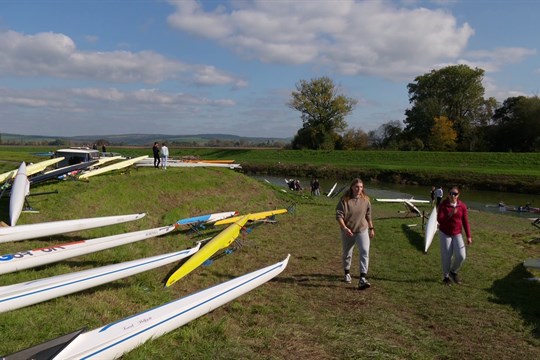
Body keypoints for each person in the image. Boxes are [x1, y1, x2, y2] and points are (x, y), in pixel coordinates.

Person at [336, 178, 375, 290]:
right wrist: (344, 228)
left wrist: (371, 228)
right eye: (357, 187)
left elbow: (368, 215)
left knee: (364, 251)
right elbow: (339, 216)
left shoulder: (366, 200)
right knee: (347, 253)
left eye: (361, 187)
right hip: (348, 231)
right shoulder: (345, 200)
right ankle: (347, 273)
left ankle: (362, 278)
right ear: (352, 187)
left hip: (362, 229)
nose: (359, 189)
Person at [437, 186, 472, 286]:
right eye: (451, 193)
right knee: (447, 256)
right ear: (448, 194)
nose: (453, 195)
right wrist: (450, 214)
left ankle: (453, 271)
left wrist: (468, 236)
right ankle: (446, 277)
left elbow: (465, 222)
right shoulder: (443, 205)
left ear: (458, 195)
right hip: (445, 233)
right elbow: (440, 220)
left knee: (461, 256)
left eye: (455, 194)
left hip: (457, 233)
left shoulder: (462, 206)